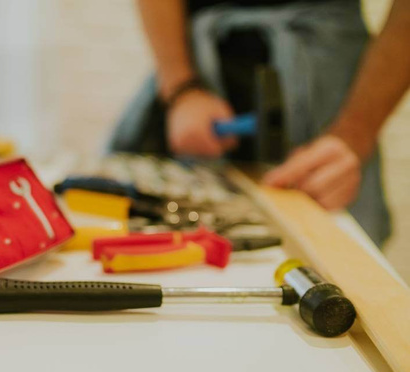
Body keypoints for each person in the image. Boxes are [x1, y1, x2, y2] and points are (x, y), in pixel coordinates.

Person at [109, 0, 410, 246]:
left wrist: (354, 134)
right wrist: (180, 87)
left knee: (341, 253)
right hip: (195, 80)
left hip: (335, 90)